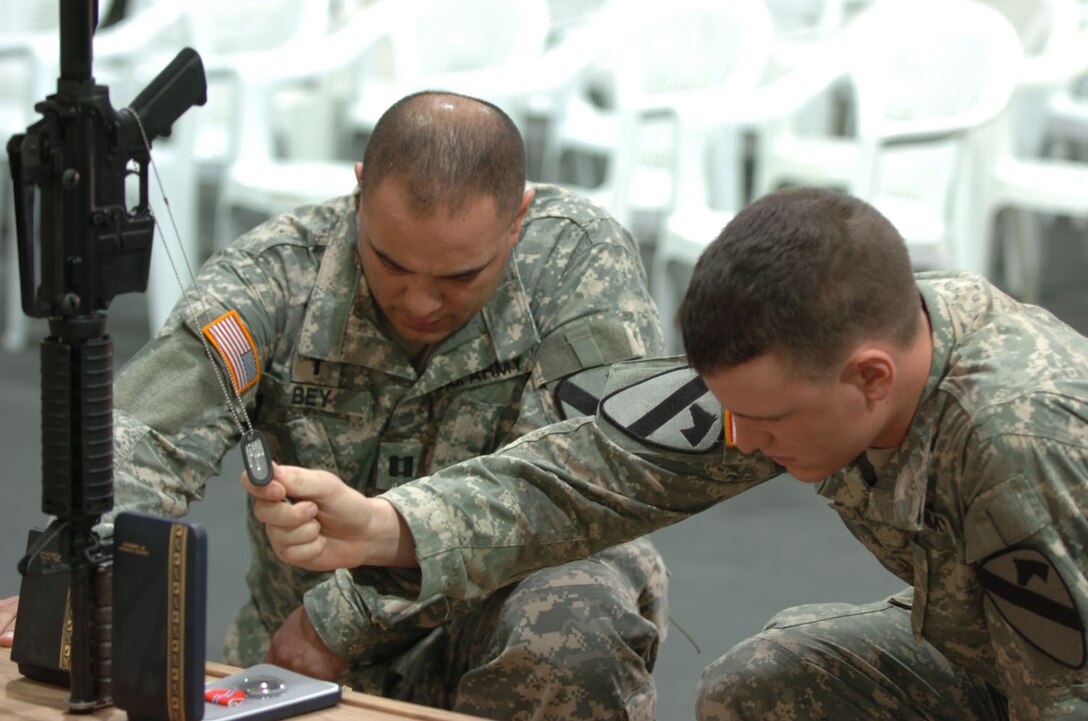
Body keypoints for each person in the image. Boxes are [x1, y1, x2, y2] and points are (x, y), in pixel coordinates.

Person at [245, 187, 1088, 720]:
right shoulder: (842, 346)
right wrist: (391, 523)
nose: (745, 443)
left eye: (766, 420)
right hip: (990, 653)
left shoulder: (1019, 441)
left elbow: (1065, 691)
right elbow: (601, 469)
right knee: (767, 685)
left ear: (870, 377)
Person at [1, 90, 672, 721]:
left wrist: (346, 614)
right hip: (294, 654)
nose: (419, 301)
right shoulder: (276, 276)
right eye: (390, 262)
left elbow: (572, 484)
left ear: (519, 217)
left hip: (495, 630)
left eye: (459, 276)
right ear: (358, 192)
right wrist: (82, 572)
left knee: (577, 613)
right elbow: (144, 435)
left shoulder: (577, 265)